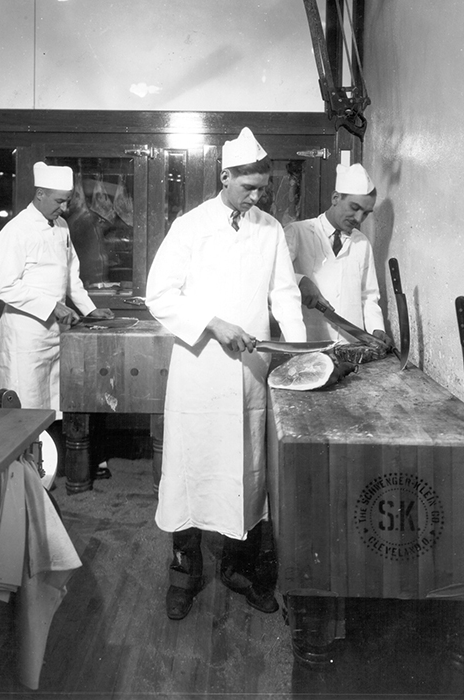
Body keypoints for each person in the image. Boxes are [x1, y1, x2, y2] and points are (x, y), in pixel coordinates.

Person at [145, 127, 306, 621]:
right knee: (192, 472)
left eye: (262, 188)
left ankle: (236, 568)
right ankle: (184, 573)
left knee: (246, 471)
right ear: (225, 176)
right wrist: (212, 324)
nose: (256, 197)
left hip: (249, 375)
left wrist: (297, 353)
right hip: (199, 372)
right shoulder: (190, 227)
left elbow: (285, 296)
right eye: (247, 187)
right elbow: (160, 295)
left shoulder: (270, 229)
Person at [0, 161, 113, 412]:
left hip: (55, 334)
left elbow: (71, 274)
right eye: (59, 201)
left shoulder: (61, 227)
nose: (65, 207)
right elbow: (4, 287)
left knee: (55, 405)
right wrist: (52, 306)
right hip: (25, 337)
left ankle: (51, 453)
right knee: (26, 408)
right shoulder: (16, 231)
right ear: (40, 194)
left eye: (67, 200)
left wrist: (88, 309)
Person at [284, 163, 392, 351]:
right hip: (308, 344)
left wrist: (376, 329)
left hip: (351, 347)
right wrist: (300, 281)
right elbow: (274, 280)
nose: (358, 219)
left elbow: (369, 296)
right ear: (335, 198)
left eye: (366, 213)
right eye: (354, 207)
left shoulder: (362, 243)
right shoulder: (297, 232)